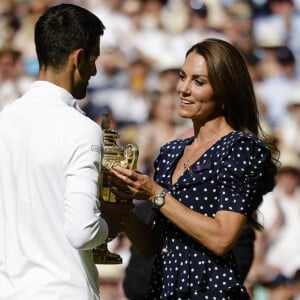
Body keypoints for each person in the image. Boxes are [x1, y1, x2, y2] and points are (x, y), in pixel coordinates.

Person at [110, 38, 279, 299]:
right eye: (182, 77)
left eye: (199, 82)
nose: (183, 89)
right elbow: (151, 246)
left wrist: (155, 192)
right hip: (164, 290)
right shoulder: (170, 152)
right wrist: (122, 206)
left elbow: (222, 238)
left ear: (224, 92)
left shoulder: (241, 148)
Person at [0, 4, 127, 300]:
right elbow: (82, 231)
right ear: (78, 58)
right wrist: (110, 219)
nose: (94, 70)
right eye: (93, 59)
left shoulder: (3, 120)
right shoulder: (81, 129)